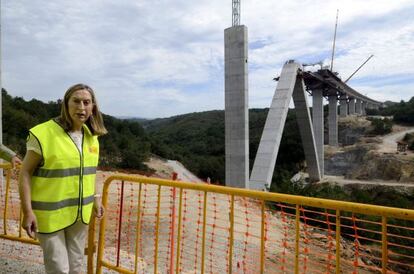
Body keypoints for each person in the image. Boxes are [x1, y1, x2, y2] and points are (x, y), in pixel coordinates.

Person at [19, 83, 107, 274]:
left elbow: (91, 171)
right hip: (49, 216)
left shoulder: (92, 137)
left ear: (93, 107)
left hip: (79, 215)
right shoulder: (43, 134)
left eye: (86, 102)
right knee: (59, 268)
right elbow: (24, 172)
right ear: (66, 104)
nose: (81, 107)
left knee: (76, 266)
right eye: (76, 101)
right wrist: (28, 212)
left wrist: (96, 198)